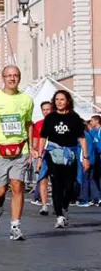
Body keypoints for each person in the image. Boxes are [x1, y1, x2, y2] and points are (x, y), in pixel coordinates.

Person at [0, 66, 34, 241]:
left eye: (15, 75)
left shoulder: (26, 100)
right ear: (3, 78)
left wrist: (31, 146)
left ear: (19, 78)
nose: (12, 78)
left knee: (18, 187)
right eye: (9, 76)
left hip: (20, 149)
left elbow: (28, 124)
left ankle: (15, 226)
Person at [37, 90, 89, 228]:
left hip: (70, 155)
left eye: (62, 99)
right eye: (57, 99)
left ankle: (65, 206)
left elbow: (82, 138)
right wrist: (39, 157)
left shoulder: (74, 117)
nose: (59, 102)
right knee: (56, 185)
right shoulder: (50, 118)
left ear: (68, 101)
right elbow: (43, 138)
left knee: (70, 185)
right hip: (53, 154)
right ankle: (59, 215)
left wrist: (85, 157)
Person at [31, 101, 53, 215]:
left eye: (48, 109)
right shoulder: (38, 124)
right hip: (42, 154)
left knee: (57, 181)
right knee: (43, 179)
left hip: (56, 154)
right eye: (44, 110)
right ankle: (44, 205)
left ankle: (58, 204)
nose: (46, 112)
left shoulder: (58, 123)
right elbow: (35, 141)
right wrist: (34, 151)